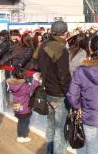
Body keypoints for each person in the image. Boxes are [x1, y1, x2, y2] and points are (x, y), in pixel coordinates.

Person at [37, 21, 72, 154]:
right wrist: (69, 94)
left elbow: (38, 64)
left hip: (47, 91)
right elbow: (64, 75)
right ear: (65, 33)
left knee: (51, 126)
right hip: (59, 94)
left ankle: (49, 151)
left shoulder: (43, 46)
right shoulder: (61, 49)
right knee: (60, 130)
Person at [7, 70, 41, 143]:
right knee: (25, 121)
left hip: (16, 105)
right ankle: (22, 137)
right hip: (24, 106)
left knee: (20, 121)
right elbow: (32, 88)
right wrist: (36, 80)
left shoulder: (11, 84)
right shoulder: (23, 86)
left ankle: (19, 136)